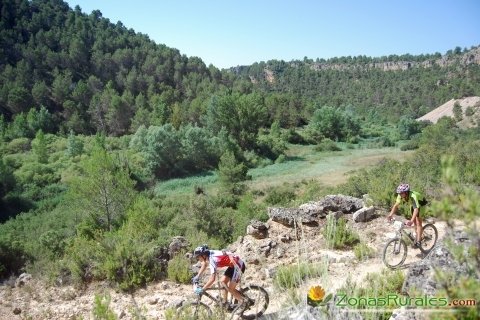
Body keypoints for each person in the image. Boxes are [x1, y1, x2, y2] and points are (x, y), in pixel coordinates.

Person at [191, 245, 252, 310]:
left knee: (231, 288)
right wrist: (197, 276)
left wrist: (203, 289)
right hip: (233, 265)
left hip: (239, 265)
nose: (198, 258)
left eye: (198, 257)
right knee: (223, 281)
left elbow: (212, 279)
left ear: (203, 255)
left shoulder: (212, 260)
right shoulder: (208, 254)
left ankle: (244, 302)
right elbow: (204, 264)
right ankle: (225, 303)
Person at [387, 183, 427, 248]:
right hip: (414, 205)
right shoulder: (400, 195)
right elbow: (396, 205)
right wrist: (390, 215)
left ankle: (419, 241)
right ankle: (418, 236)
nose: (400, 194)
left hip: (421, 205)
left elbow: (416, 210)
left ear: (406, 192)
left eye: (401, 193)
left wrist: (411, 221)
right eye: (399, 193)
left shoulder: (413, 196)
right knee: (414, 223)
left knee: (418, 222)